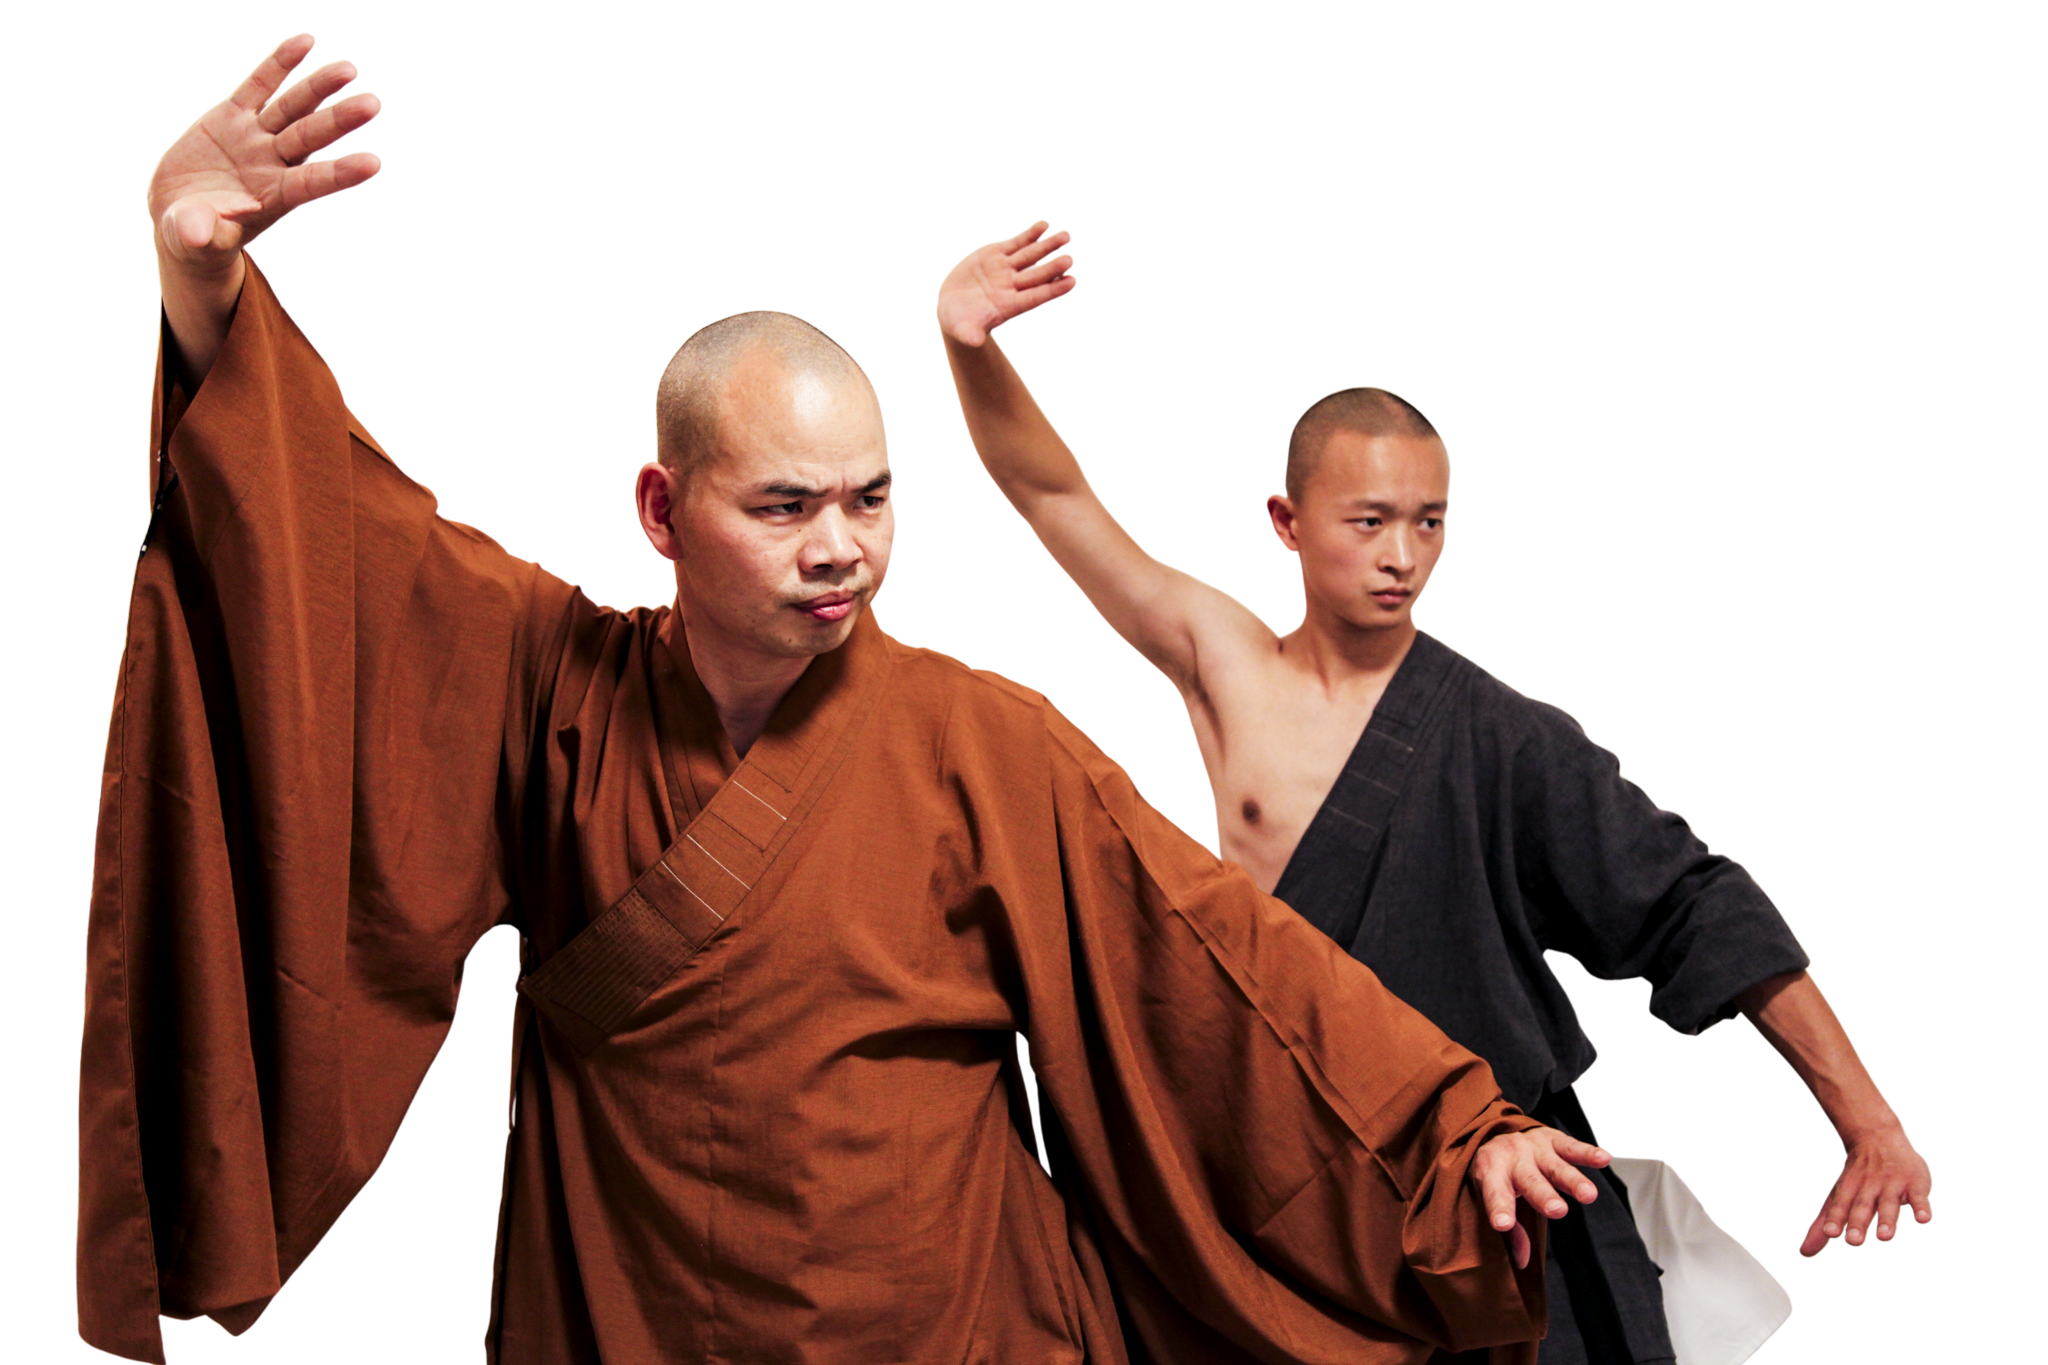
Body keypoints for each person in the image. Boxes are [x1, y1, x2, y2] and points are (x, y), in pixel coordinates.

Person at [78, 37, 1620, 1365]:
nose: (841, 550)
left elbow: (1218, 969)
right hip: (632, 1311)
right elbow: (333, 558)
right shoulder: (549, 682)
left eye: (872, 501)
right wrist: (202, 271)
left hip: (948, 1317)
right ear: (662, 507)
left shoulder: (976, 739)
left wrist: (1450, 1134)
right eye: (787, 505)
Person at [938, 222, 1936, 1365]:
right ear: (1285, 523)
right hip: (1290, 1175)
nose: (1400, 556)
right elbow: (1052, 496)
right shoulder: (1226, 670)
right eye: (1367, 522)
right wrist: (968, 346)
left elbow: (1695, 906)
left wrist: (1865, 1120)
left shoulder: (1506, 738)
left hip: (1494, 1188)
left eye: (1425, 522)